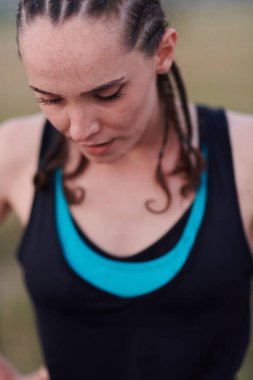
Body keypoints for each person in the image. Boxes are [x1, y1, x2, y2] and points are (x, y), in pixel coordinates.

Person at [0, 0, 253, 379]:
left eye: (107, 95)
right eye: (50, 99)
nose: (80, 130)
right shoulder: (14, 152)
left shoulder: (243, 157)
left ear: (163, 53)